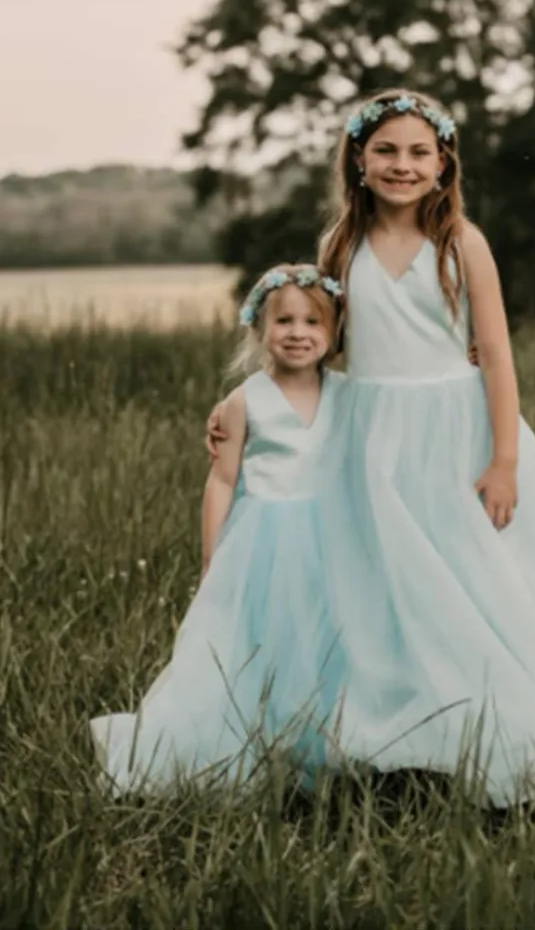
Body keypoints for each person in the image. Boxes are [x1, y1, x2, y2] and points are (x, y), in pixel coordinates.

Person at [206, 89, 535, 805]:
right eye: (386, 151)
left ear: (442, 163)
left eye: (418, 152)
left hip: (455, 432)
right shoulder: (339, 243)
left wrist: (503, 460)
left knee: (478, 581)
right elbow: (319, 348)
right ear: (359, 160)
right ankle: (403, 732)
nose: (402, 165)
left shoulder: (462, 242)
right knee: (384, 585)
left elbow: (495, 354)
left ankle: (503, 715)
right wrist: (253, 409)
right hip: (369, 436)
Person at [90, 263, 351, 793]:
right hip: (264, 542)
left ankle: (324, 747)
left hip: (331, 541)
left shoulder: (350, 394)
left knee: (324, 643)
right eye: (283, 321)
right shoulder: (244, 401)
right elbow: (222, 482)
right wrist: (215, 556)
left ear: (334, 332)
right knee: (259, 644)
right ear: (259, 328)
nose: (298, 333)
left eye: (312, 323)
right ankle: (254, 743)